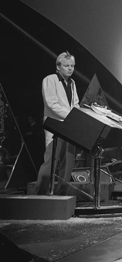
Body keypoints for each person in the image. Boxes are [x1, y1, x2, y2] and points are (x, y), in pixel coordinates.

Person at [34, 51, 79, 195]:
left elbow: (75, 104)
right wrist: (71, 116)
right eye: (66, 65)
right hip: (54, 125)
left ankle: (62, 194)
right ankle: (41, 194)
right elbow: (51, 104)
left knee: (68, 161)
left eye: (72, 65)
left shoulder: (72, 83)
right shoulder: (50, 79)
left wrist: (77, 117)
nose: (70, 68)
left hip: (69, 126)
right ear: (58, 67)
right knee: (51, 161)